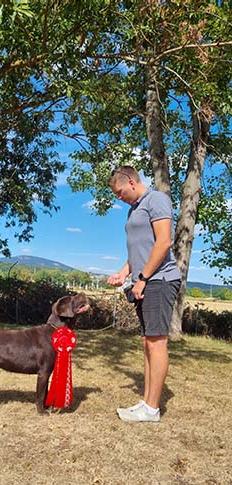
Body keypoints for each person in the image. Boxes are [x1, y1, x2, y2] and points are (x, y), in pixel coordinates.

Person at [107, 166, 181, 422]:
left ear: (131, 181)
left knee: (157, 341)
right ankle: (147, 402)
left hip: (159, 280)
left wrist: (143, 278)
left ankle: (151, 409)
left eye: (119, 192)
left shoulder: (157, 200)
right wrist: (124, 273)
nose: (118, 197)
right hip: (145, 280)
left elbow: (163, 243)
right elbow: (139, 249)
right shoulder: (134, 209)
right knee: (147, 341)